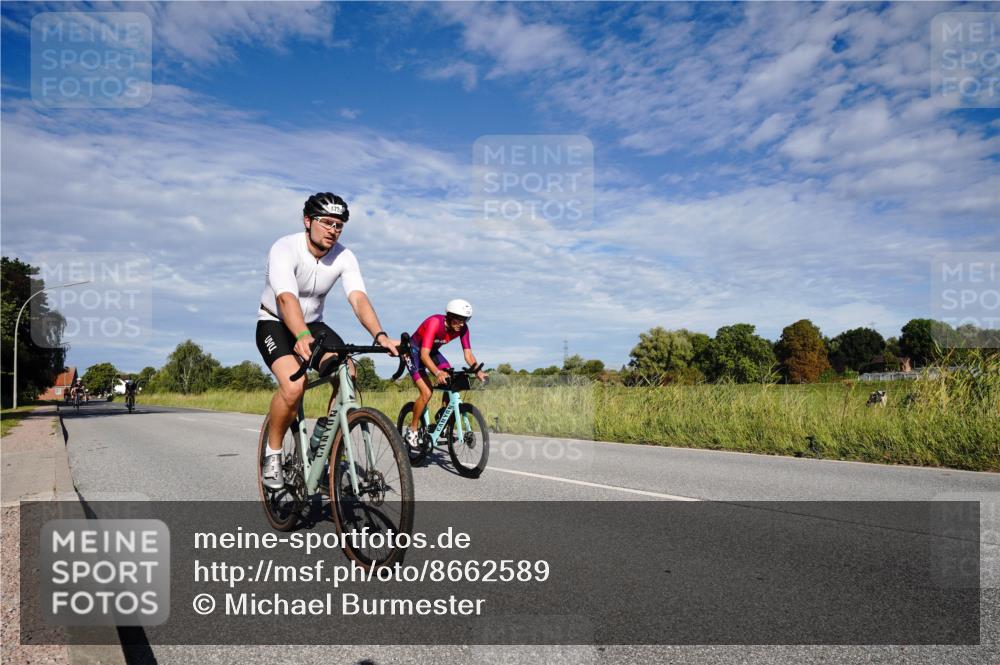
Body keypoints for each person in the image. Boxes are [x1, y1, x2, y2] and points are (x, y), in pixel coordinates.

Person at [256, 192, 398, 489]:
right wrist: (301, 335)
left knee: (348, 372)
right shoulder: (284, 248)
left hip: (315, 325)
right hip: (275, 322)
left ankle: (324, 444)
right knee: (294, 386)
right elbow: (286, 297)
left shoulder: (344, 256)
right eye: (328, 223)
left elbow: (358, 298)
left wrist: (380, 335)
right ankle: (273, 452)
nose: (334, 230)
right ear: (308, 221)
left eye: (340, 225)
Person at [402, 299, 487, 449]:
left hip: (432, 352)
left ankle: (443, 416)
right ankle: (412, 429)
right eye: (459, 319)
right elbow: (423, 355)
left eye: (465, 320)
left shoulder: (463, 329)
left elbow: (468, 355)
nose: (462, 323)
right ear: (449, 316)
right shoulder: (435, 322)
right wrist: (436, 372)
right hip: (414, 352)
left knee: (451, 378)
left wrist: (478, 371)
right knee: (427, 392)